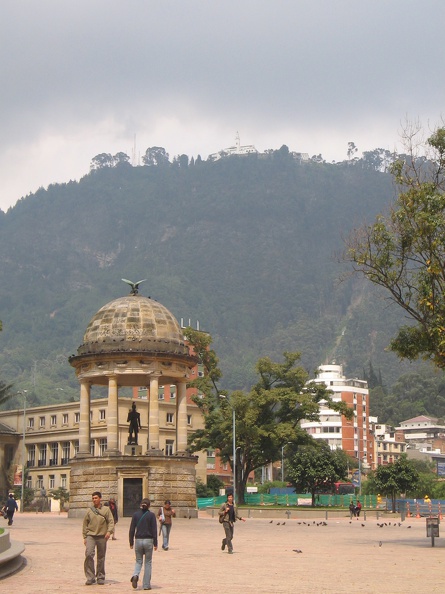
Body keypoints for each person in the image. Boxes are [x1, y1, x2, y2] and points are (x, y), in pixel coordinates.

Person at [82, 491, 115, 586]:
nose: (94, 500)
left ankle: (100, 577)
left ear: (100, 499)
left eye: (96, 498)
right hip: (91, 536)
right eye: (93, 498)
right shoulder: (89, 511)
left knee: (101, 557)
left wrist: (109, 532)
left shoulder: (106, 510)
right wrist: (85, 536)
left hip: (102, 536)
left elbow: (111, 522)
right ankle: (90, 577)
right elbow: (85, 524)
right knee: (88, 554)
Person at [129, 498, 158, 591]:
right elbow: (154, 530)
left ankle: (135, 575)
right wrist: (155, 543)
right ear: (149, 505)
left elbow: (132, 529)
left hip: (138, 540)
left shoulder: (135, 515)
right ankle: (146, 585)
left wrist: (131, 542)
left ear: (141, 505)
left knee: (138, 561)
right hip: (148, 540)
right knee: (148, 562)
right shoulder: (151, 515)